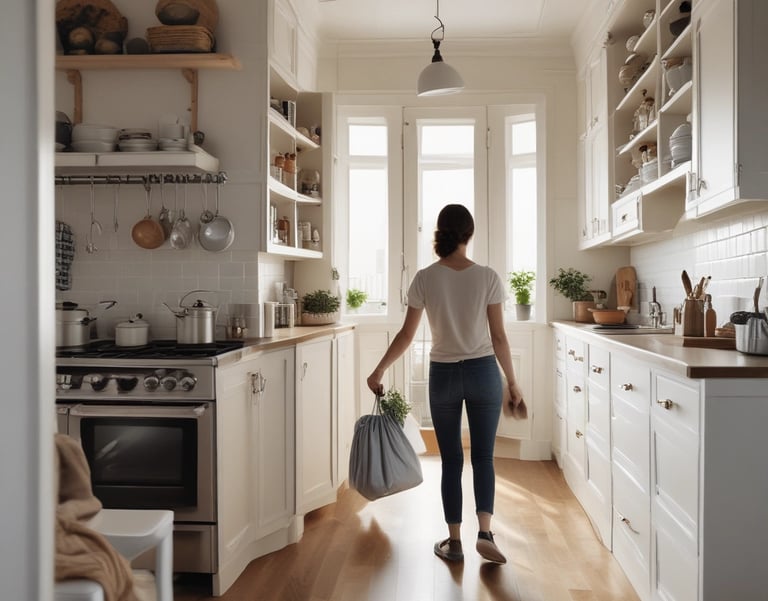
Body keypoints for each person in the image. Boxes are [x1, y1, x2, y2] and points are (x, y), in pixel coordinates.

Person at [367, 204, 526, 565]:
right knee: (483, 457)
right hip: (484, 373)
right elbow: (499, 337)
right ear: (469, 234)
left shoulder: (425, 278)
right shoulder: (487, 277)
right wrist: (512, 382)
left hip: (444, 375)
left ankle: (454, 542)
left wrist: (378, 371)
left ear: (440, 233)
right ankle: (485, 533)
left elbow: (406, 335)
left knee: (452, 460)